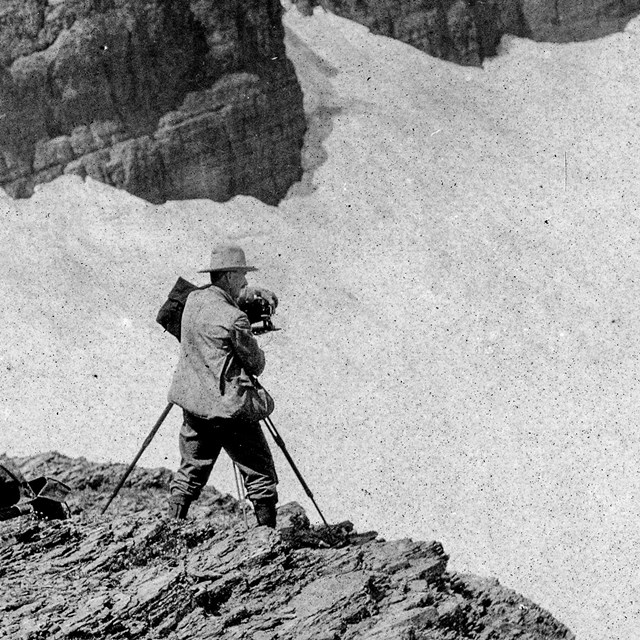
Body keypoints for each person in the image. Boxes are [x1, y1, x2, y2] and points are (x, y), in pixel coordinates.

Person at [167, 245, 278, 526]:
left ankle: (172, 526)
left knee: (190, 471)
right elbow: (255, 365)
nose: (245, 283)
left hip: (194, 404)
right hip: (229, 411)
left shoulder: (193, 300)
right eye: (241, 276)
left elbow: (211, 303)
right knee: (260, 474)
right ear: (229, 276)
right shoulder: (235, 318)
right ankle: (268, 537)